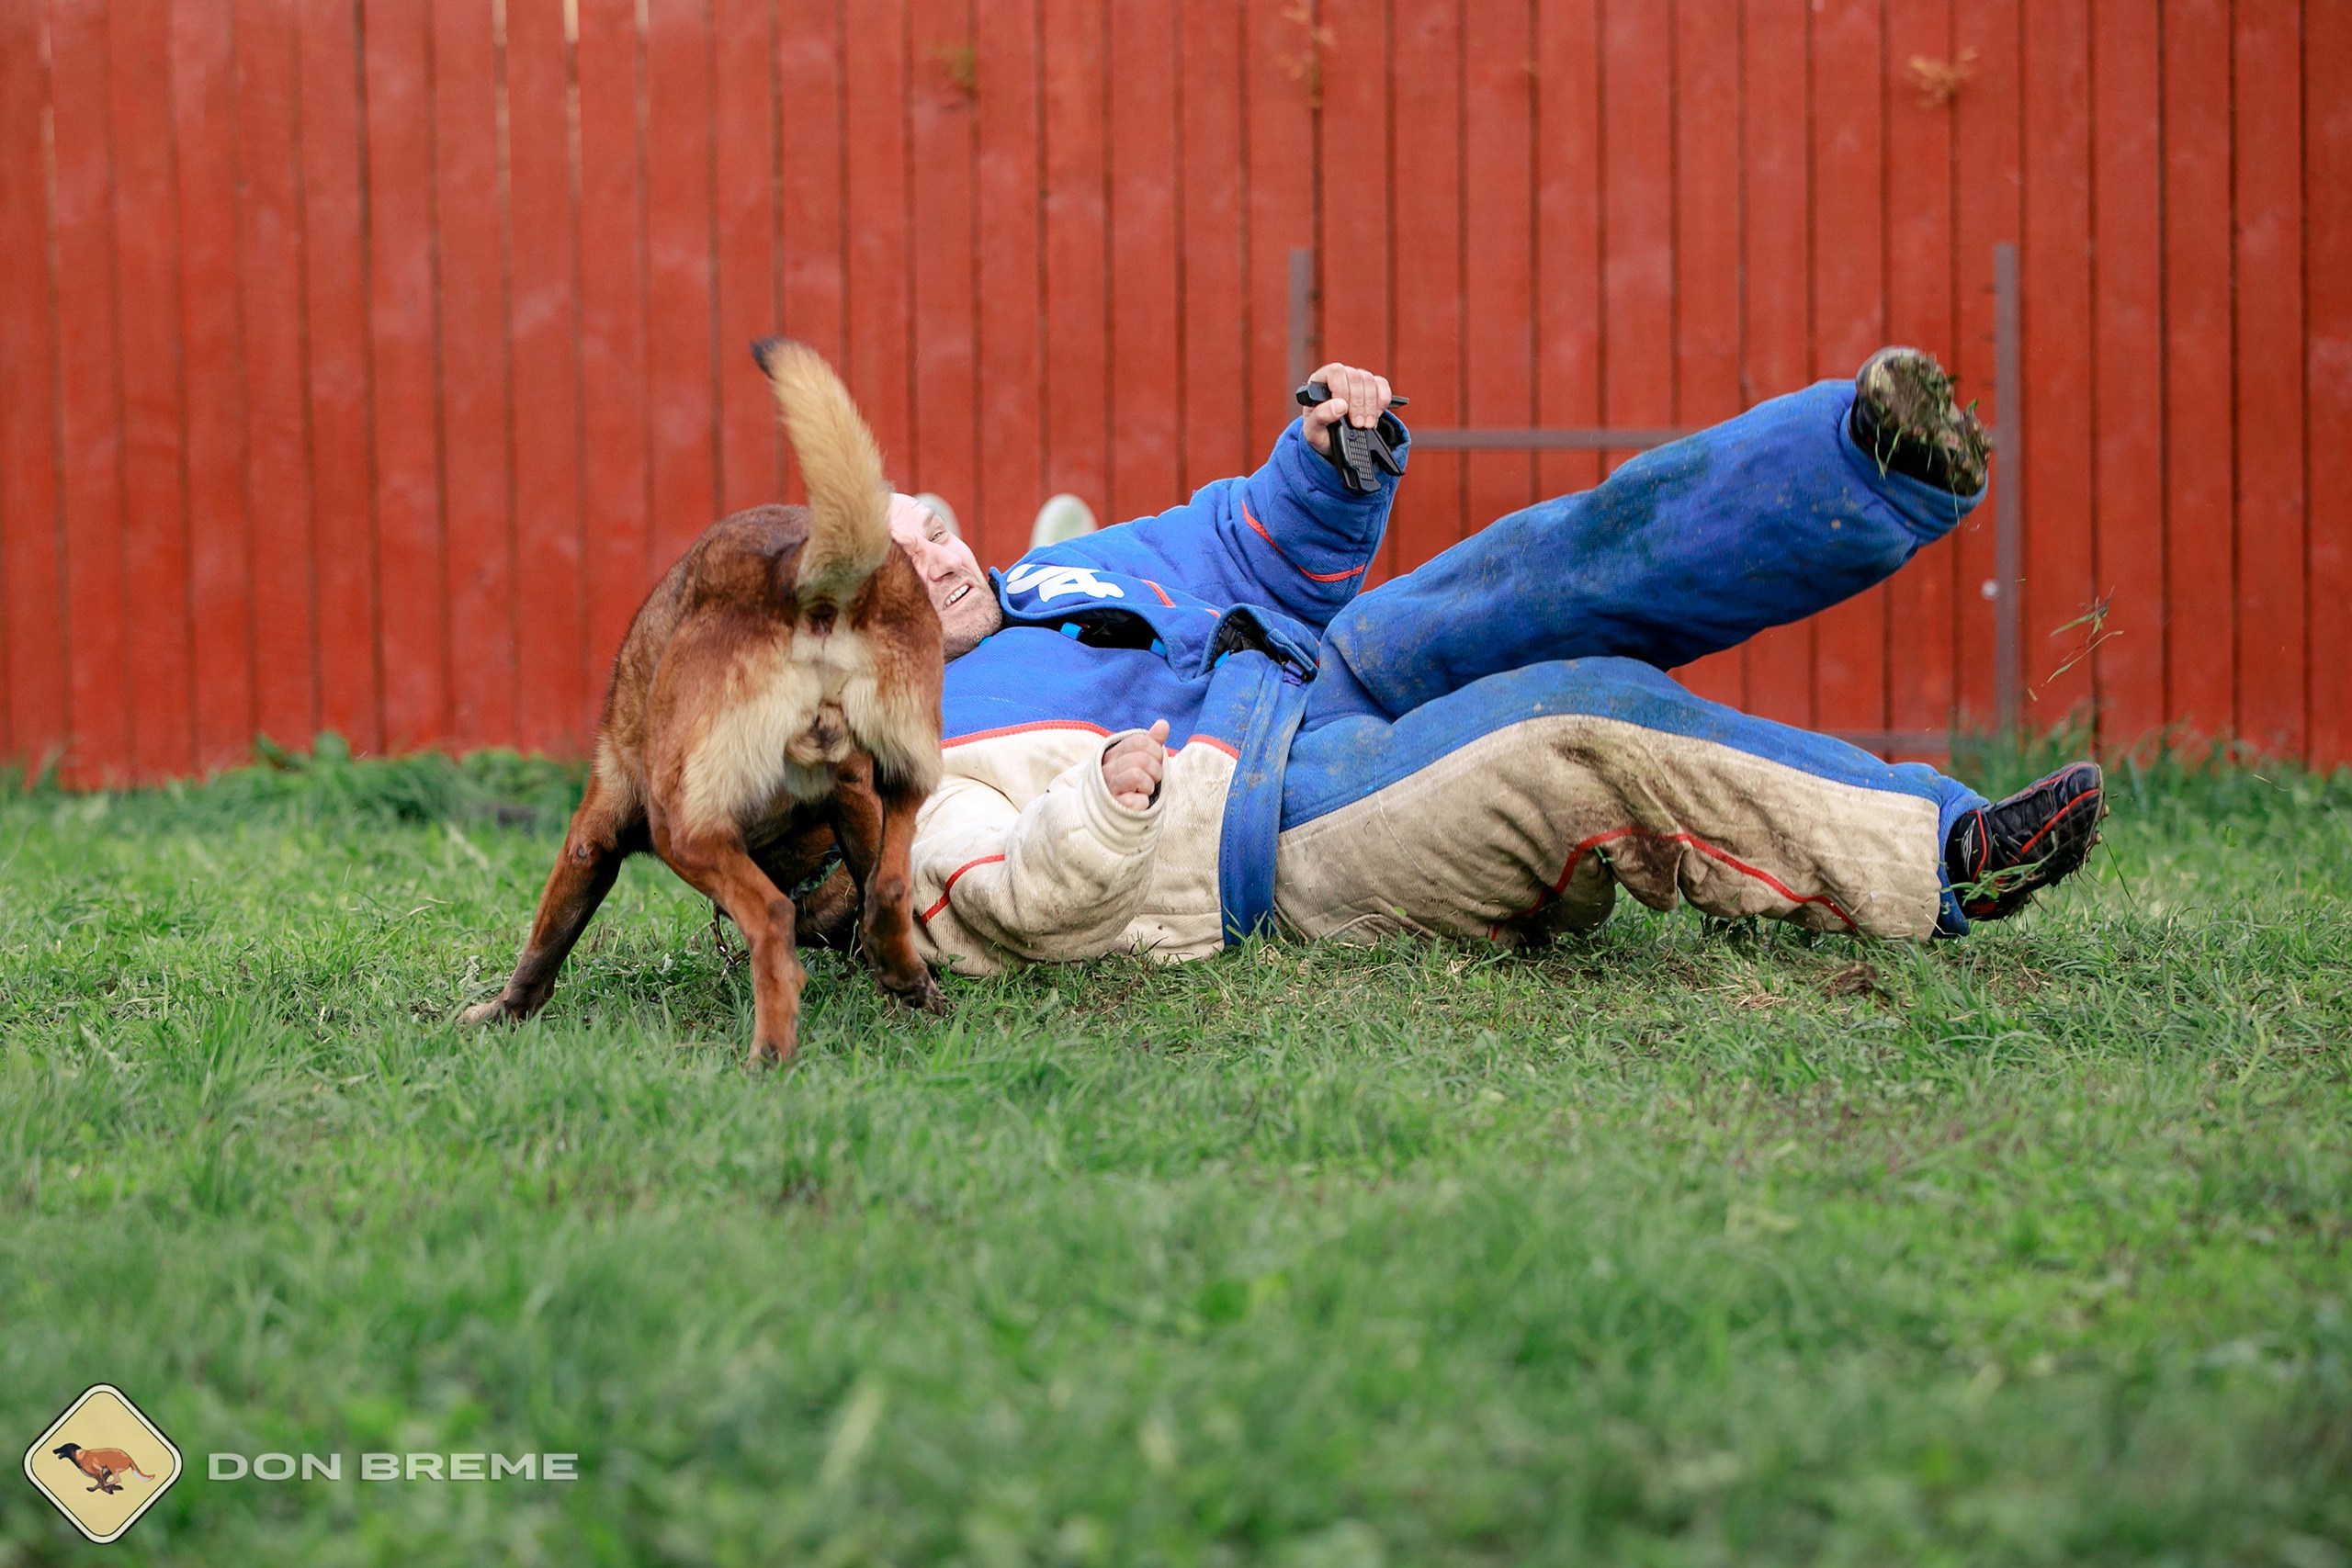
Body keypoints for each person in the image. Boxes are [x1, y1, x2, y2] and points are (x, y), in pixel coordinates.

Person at [884, 349, 2106, 976]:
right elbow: (993, 909)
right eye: (895, 562)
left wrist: (1329, 460)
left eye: (931, 526)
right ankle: (1944, 860)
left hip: (1316, 676)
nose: (936, 559)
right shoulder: (922, 749)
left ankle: (1870, 459)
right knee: (1576, 727)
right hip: (1273, 823)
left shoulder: (1060, 575)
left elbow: (1247, 544)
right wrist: (1106, 805)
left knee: (1556, 562)